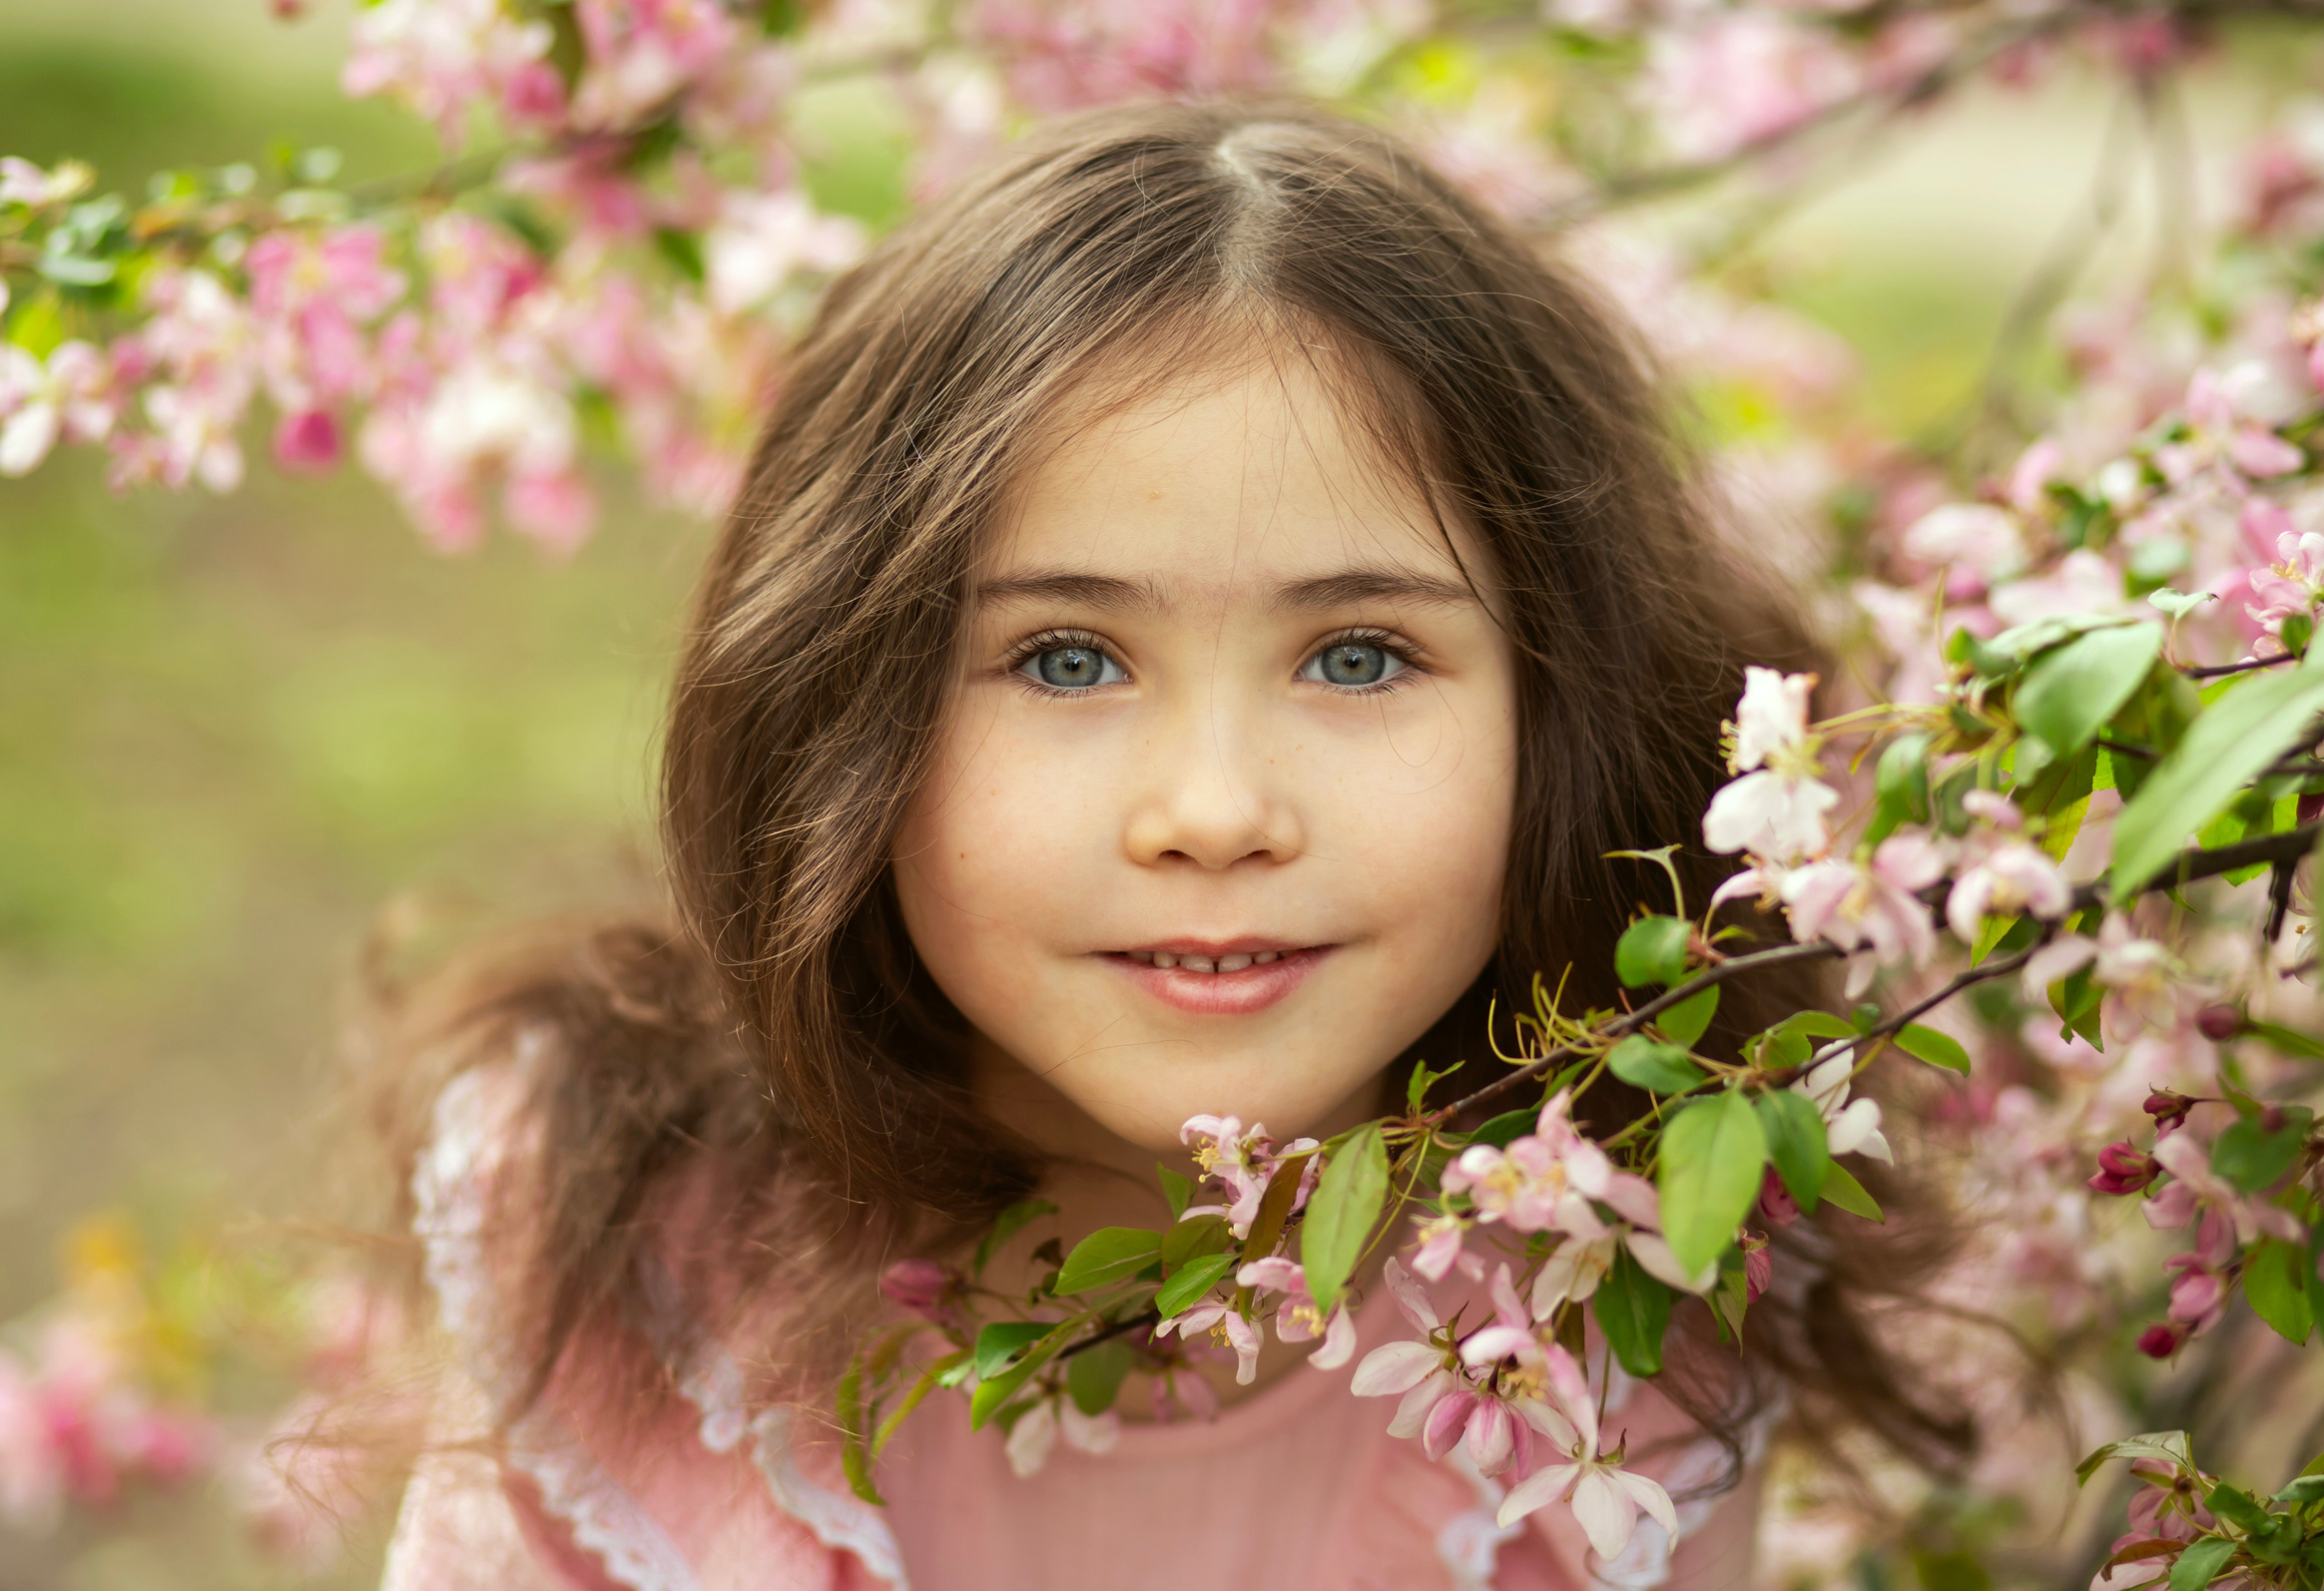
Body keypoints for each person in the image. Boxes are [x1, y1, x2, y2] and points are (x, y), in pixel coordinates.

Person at [366, 99, 1968, 1591]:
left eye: (1359, 657)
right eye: (1066, 658)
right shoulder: (629, 1248)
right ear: (842, 702)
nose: (1213, 812)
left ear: (1567, 708)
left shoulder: (1635, 1262)